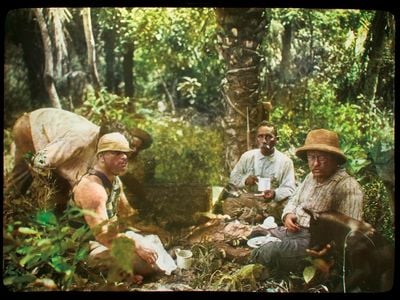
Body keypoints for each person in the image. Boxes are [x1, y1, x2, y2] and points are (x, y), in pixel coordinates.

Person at [249, 128, 364, 274]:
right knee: (256, 234)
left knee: (269, 252)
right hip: (293, 231)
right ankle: (270, 254)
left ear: (334, 159)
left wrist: (328, 248)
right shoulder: (310, 177)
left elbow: (350, 233)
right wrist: (288, 215)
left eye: (321, 158)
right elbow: (294, 200)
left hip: (316, 243)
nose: (315, 164)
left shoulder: (347, 186)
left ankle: (259, 258)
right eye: (311, 157)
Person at [70, 132, 176, 284]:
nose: (124, 157)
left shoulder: (114, 181)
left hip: (109, 240)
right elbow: (103, 235)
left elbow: (127, 214)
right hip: (87, 248)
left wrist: (154, 229)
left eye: (125, 153)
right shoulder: (93, 188)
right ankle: (120, 274)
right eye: (116, 153)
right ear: (101, 157)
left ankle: (126, 274)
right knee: (147, 261)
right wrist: (136, 244)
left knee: (152, 242)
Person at [6, 107, 152, 213]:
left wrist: (128, 211)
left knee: (63, 186)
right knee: (23, 177)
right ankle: (9, 208)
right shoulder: (79, 139)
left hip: (54, 137)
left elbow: (113, 180)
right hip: (31, 126)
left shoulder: (104, 147)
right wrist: (47, 187)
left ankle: (54, 223)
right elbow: (40, 161)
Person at [221, 121, 296, 224]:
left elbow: (290, 189)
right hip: (252, 199)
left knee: (289, 207)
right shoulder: (247, 156)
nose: (264, 141)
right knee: (228, 203)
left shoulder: (285, 161)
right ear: (256, 139)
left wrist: (274, 193)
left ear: (277, 140)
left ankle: (255, 218)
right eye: (260, 136)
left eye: (269, 137)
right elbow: (233, 178)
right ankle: (261, 218)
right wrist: (246, 181)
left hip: (273, 203)